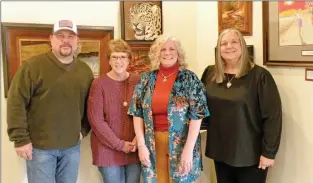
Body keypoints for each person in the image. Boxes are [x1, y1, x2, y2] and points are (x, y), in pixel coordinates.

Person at [6, 20, 94, 183]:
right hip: (40, 148)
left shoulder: (84, 71)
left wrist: (83, 130)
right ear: (51, 39)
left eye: (70, 36)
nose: (65, 40)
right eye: (60, 36)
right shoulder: (32, 67)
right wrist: (20, 139)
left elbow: (90, 105)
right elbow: (16, 103)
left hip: (71, 147)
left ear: (77, 41)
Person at [201, 28, 282, 183]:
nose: (229, 46)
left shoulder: (260, 76)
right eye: (223, 43)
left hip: (250, 154)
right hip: (221, 151)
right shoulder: (210, 73)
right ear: (219, 49)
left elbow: (273, 117)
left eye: (234, 42)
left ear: (243, 46)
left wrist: (269, 153)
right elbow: (199, 106)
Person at [128, 35, 210, 183]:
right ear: (156, 53)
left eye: (172, 49)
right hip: (153, 143)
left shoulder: (189, 79)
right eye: (163, 49)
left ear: (178, 53)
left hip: (183, 144)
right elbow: (137, 113)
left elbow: (197, 115)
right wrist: (141, 145)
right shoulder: (146, 79)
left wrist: (188, 149)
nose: (167, 52)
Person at [87, 39, 141, 183]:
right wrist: (119, 145)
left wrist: (138, 139)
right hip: (107, 150)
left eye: (123, 57)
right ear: (109, 60)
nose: (119, 61)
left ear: (129, 60)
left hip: (134, 148)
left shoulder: (138, 81)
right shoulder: (99, 84)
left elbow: (145, 113)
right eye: (114, 57)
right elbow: (96, 120)